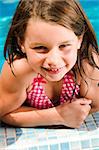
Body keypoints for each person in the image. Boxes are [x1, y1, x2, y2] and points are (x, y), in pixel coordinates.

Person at [0, 0, 99, 128]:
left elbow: (95, 105)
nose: (54, 60)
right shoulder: (19, 69)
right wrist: (57, 116)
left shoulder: (87, 66)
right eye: (40, 48)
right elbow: (3, 113)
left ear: (79, 40)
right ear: (21, 43)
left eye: (64, 46)